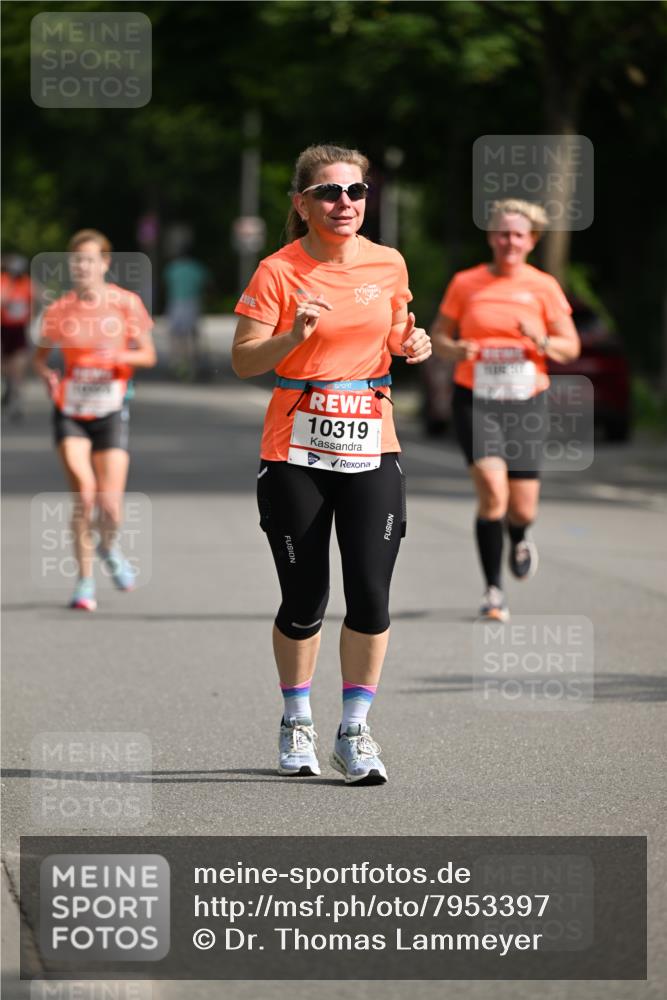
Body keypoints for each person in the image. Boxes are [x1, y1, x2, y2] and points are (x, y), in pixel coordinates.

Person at [232, 144, 431, 784]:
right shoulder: (277, 271)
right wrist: (293, 338)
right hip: (295, 447)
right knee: (306, 597)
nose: (345, 203)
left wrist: (411, 342)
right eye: (329, 192)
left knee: (371, 595)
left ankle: (354, 731)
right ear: (302, 203)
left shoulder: (389, 261)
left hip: (372, 443)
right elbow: (243, 361)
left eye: (356, 191)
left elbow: (397, 331)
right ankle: (296, 722)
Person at [431, 199, 580, 622]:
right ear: (490, 236)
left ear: (531, 240)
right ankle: (494, 591)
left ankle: (520, 534)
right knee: (492, 494)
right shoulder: (466, 283)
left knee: (522, 507)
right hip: (476, 400)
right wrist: (455, 348)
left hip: (527, 402)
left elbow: (570, 348)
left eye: (518, 234)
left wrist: (542, 340)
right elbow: (439, 335)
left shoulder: (544, 286)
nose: (509, 241)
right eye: (501, 233)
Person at [33, 229, 156, 611]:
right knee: (84, 494)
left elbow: (147, 356)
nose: (82, 267)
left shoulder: (126, 304)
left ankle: (108, 545)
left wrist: (115, 358)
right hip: (70, 410)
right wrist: (47, 375)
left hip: (111, 408)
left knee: (111, 505)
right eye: (76, 261)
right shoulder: (59, 309)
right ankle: (84, 583)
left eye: (89, 260)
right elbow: (40, 356)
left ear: (104, 264)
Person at [163, 249, 209, 379]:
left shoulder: (172, 268)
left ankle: (176, 362)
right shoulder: (196, 268)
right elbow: (206, 284)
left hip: (175, 302)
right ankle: (194, 362)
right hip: (192, 302)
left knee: (175, 334)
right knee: (192, 334)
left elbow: (167, 284)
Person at [1, 254, 36, 419]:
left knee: (19, 366)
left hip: (19, 330)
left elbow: (36, 300)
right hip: (3, 329)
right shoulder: (3, 281)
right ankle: (8, 385)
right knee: (6, 366)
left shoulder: (27, 283)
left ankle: (16, 398)